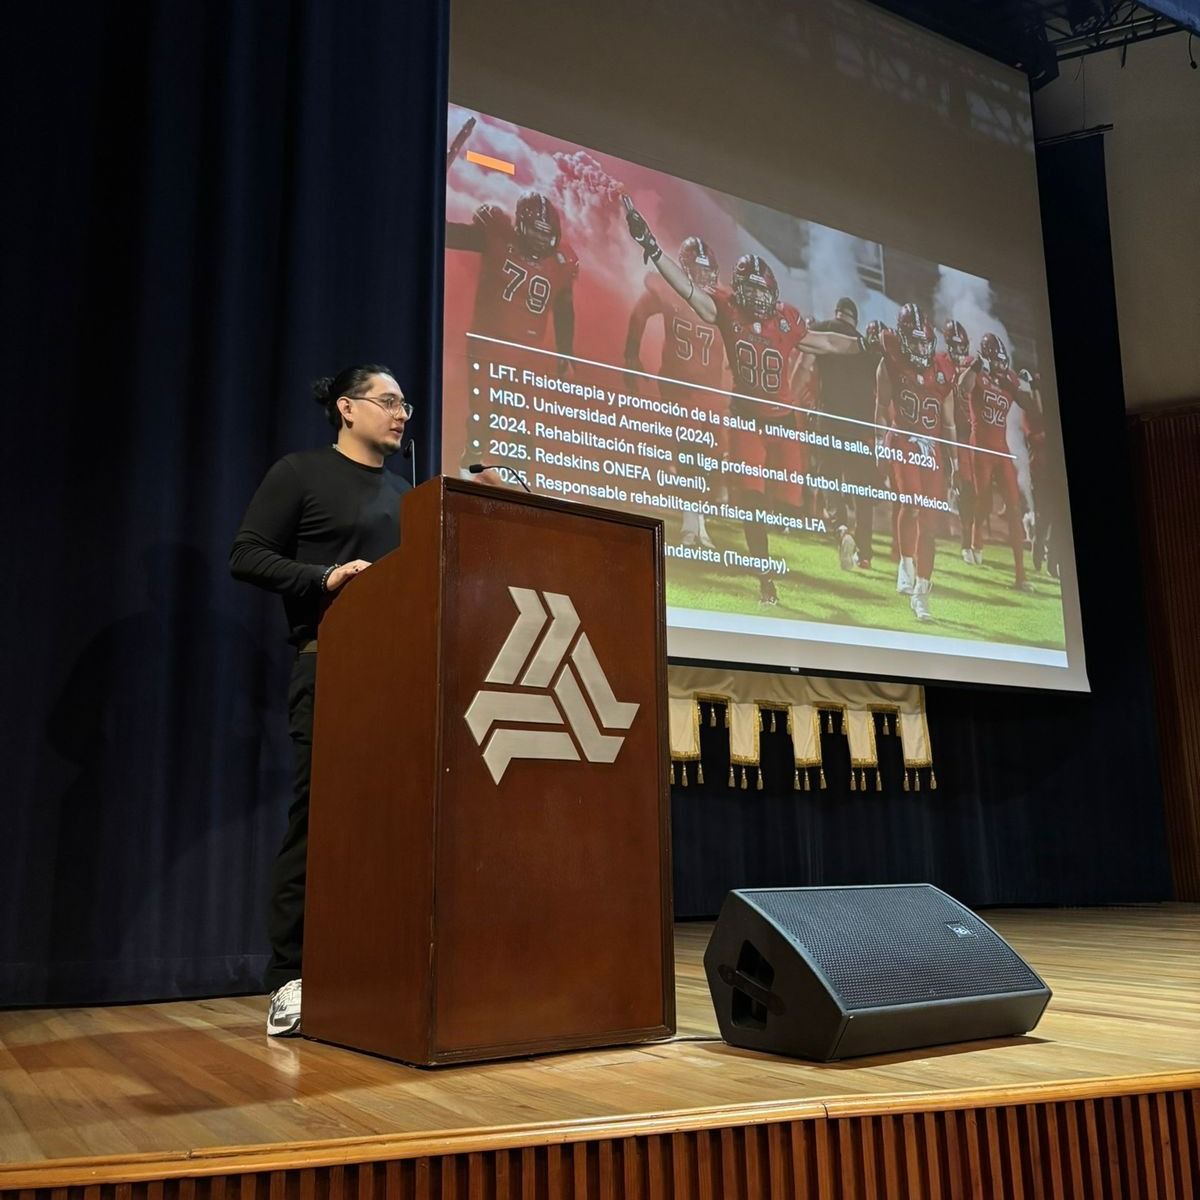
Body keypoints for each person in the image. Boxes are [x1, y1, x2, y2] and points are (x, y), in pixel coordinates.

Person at [229, 364, 412, 1035]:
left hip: (402, 677)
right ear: (346, 407)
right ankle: (290, 978)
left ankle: (374, 970)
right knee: (320, 822)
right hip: (330, 665)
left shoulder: (408, 494)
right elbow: (247, 555)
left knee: (391, 825)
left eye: (405, 404)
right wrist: (324, 576)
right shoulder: (301, 473)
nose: (401, 413)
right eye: (388, 401)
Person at [624, 198, 861, 605]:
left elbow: (826, 343)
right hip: (746, 417)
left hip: (782, 420)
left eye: (761, 291)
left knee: (793, 503)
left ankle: (840, 533)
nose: (756, 299)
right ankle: (766, 580)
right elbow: (687, 290)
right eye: (749, 290)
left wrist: (863, 347)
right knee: (752, 501)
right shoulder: (726, 308)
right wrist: (653, 248)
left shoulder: (786, 319)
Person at [624, 235, 727, 549]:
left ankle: (699, 521)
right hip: (679, 388)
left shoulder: (722, 299)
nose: (705, 276)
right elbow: (639, 313)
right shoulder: (668, 289)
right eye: (699, 269)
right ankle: (690, 524)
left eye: (708, 270)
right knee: (690, 453)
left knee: (710, 458)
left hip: (711, 391)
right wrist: (631, 356)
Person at [875, 303, 959, 622]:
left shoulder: (943, 369)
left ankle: (922, 591)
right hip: (903, 439)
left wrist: (955, 460)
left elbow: (948, 422)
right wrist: (879, 442)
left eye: (926, 342)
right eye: (916, 342)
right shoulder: (891, 361)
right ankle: (906, 562)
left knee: (930, 522)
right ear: (903, 339)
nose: (922, 348)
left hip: (932, 448)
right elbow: (881, 407)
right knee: (911, 503)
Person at [809, 298, 881, 569]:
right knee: (863, 492)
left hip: (829, 419)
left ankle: (840, 528)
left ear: (837, 313)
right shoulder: (865, 346)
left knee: (829, 478)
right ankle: (865, 553)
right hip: (861, 427)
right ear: (855, 319)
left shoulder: (823, 329)